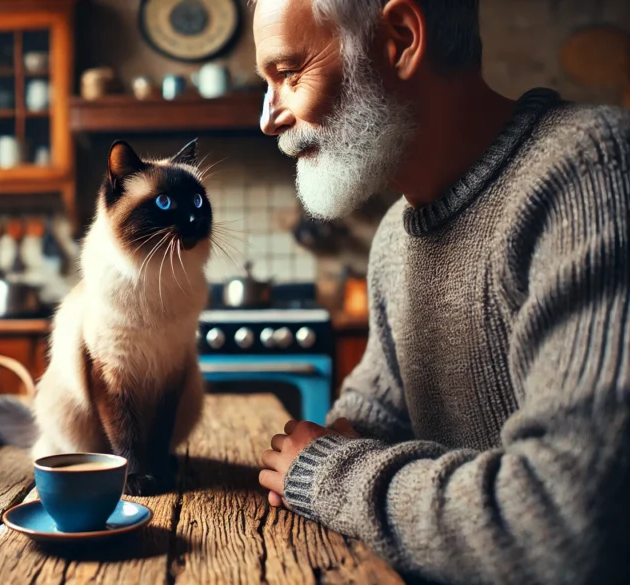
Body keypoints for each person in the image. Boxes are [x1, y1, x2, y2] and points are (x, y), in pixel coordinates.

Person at [252, 1, 630, 584]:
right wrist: (340, 439)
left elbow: (566, 520)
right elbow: (376, 414)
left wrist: (328, 472)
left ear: (400, 40)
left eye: (288, 73)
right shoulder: (391, 241)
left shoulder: (592, 170)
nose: (269, 118)